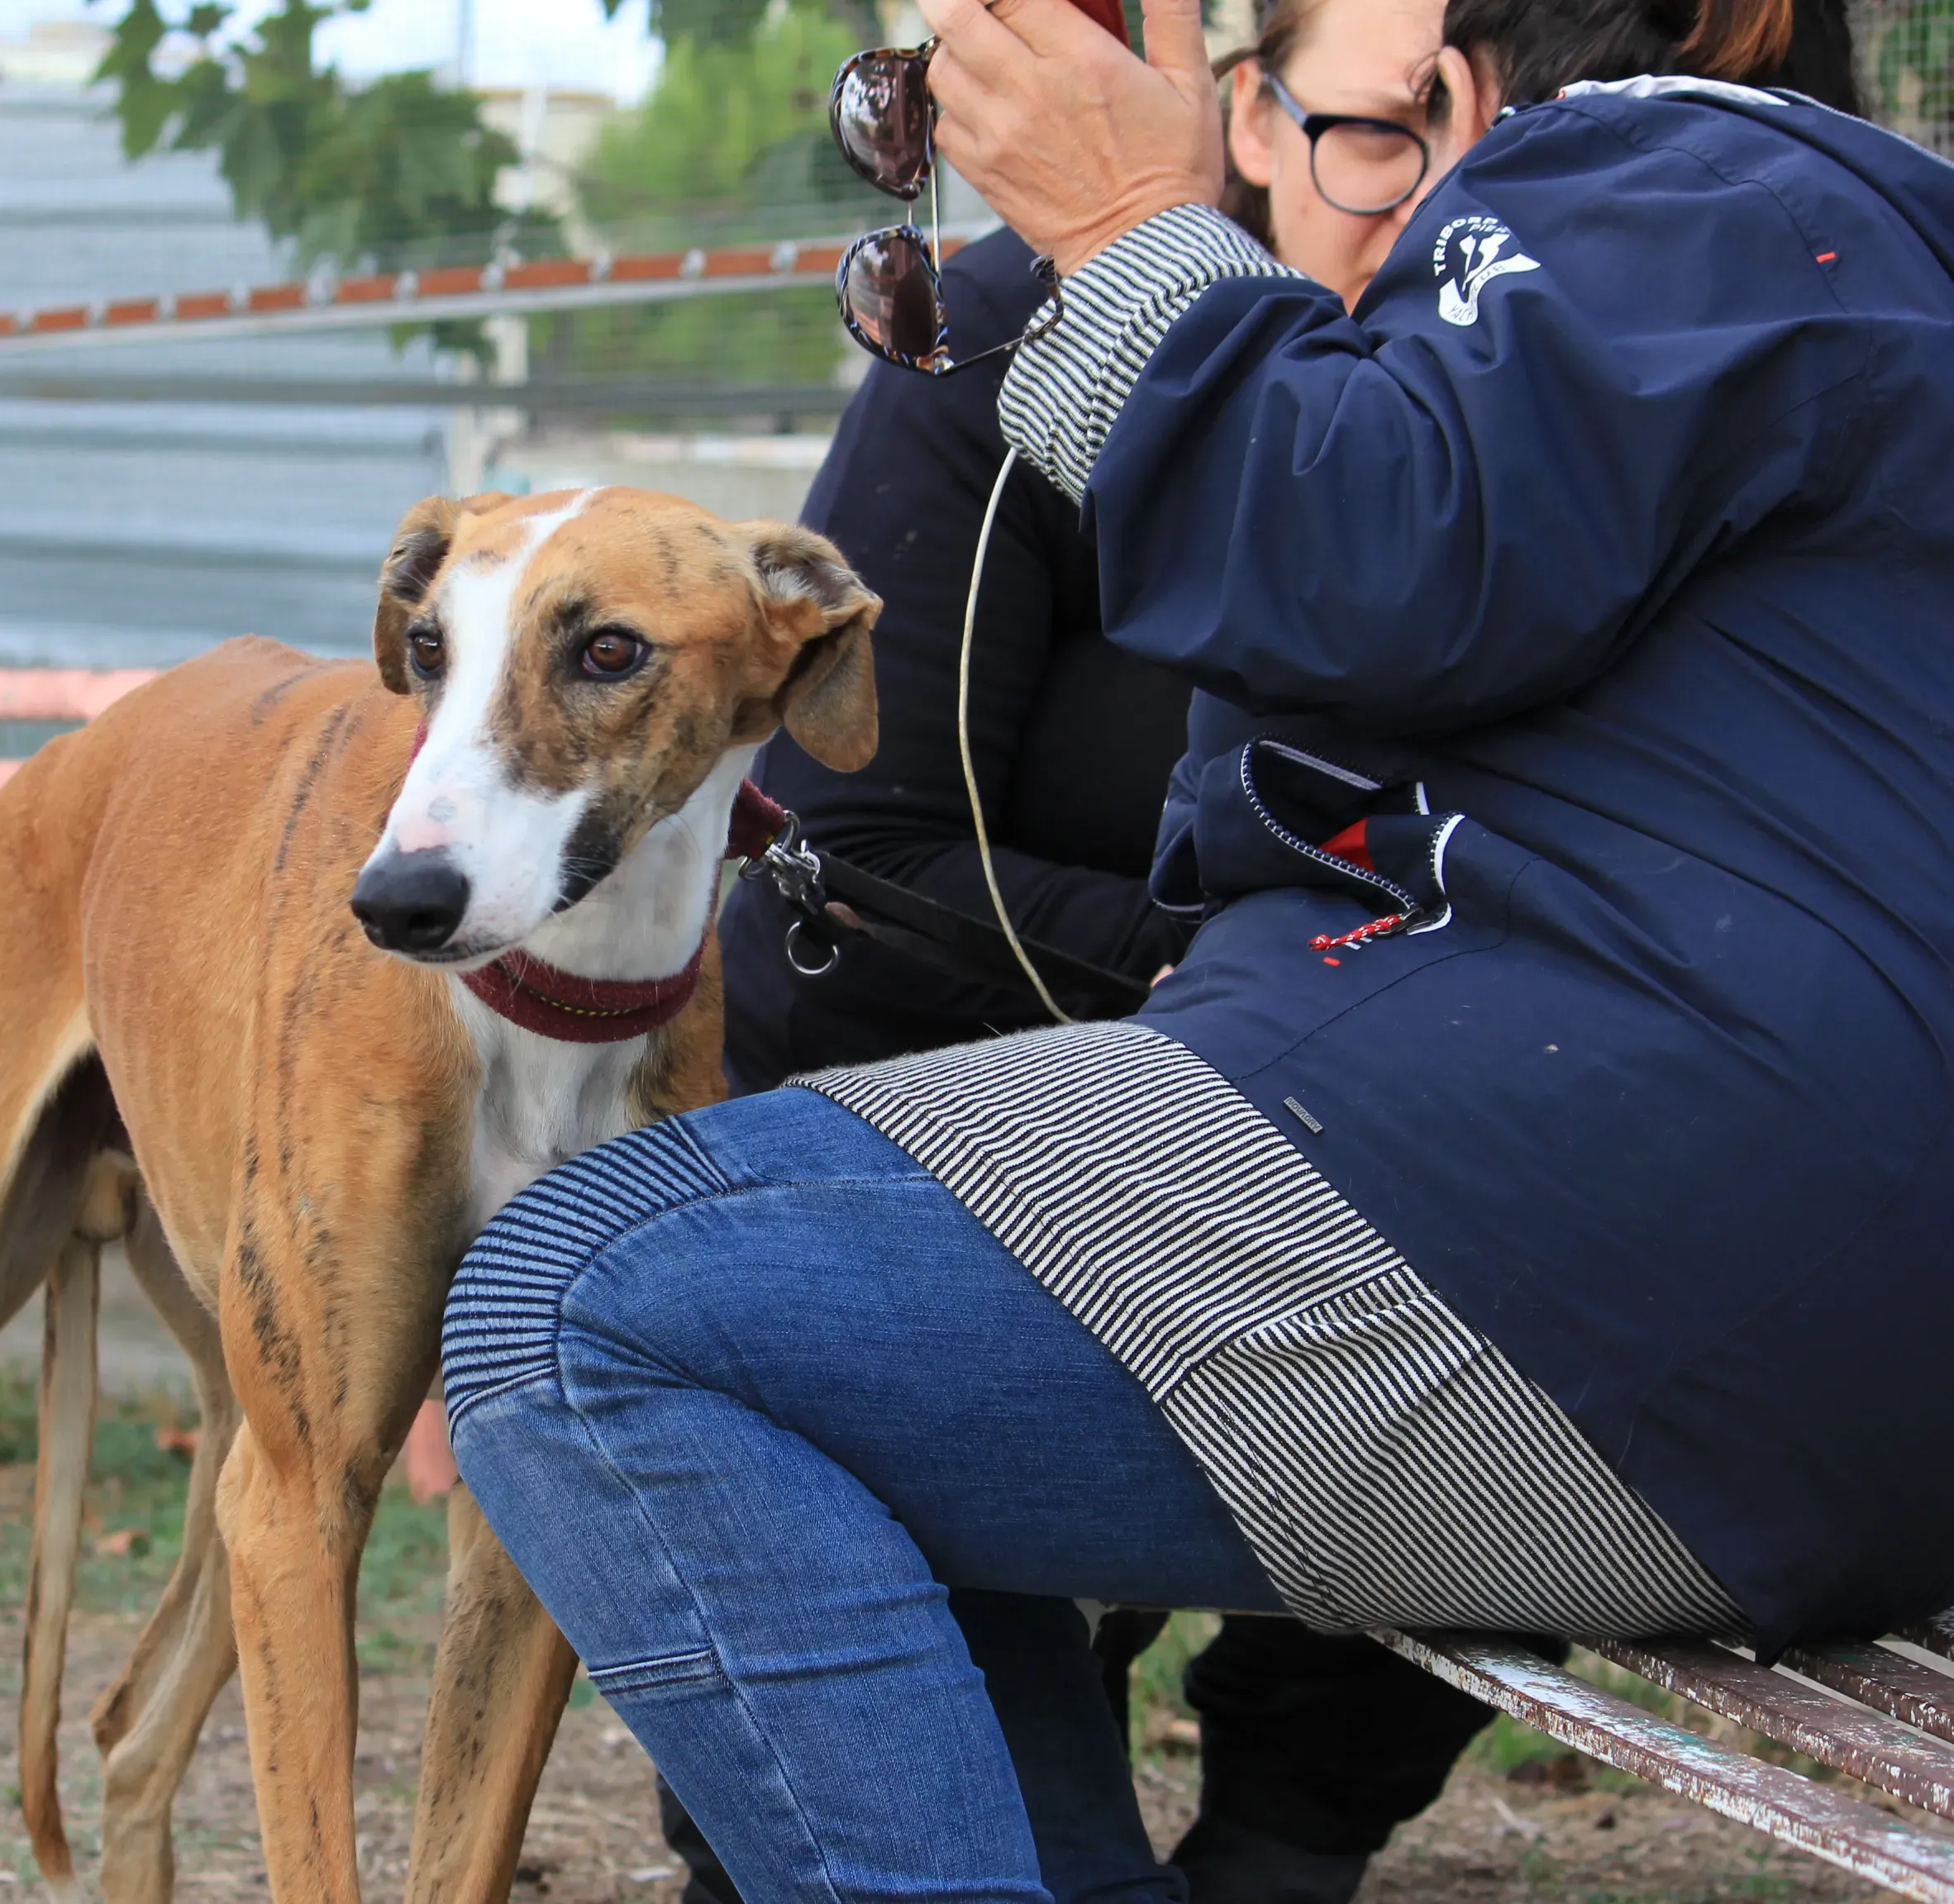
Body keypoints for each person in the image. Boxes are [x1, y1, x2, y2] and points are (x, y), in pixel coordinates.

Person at [437, 0, 1954, 1896]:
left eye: (1340, 107)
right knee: (811, 1334)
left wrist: (1143, 234)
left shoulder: (1677, 171)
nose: (1269, 131)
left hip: (1661, 1234)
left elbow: (1371, 560)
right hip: (1756, 1277)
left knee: (582, 1308)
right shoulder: (1829, 276)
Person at [659, 8, 1564, 1901]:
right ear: (1238, 110)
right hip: (962, 1053)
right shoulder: (988, 332)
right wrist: (1229, 962)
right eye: (1346, 124)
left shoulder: (1544, 379)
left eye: (1435, 121)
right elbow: (857, 835)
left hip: (1373, 1121)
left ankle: (1283, 1836)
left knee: (1545, 1203)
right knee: (758, 1358)